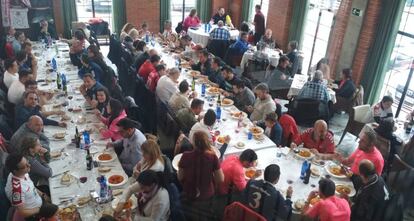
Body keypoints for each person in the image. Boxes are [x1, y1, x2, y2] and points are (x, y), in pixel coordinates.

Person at [178, 131, 224, 220]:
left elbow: (180, 177)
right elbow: (221, 179)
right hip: (206, 193)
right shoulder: (213, 157)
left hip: (190, 192)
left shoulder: (185, 156)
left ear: (193, 143)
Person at [5, 153, 53, 219]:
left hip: (39, 202)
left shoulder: (22, 172)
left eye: (27, 162)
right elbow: (23, 213)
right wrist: (41, 209)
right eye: (24, 166)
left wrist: (43, 195)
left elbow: (32, 187)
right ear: (15, 171)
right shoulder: (17, 189)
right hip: (34, 214)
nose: (29, 165)